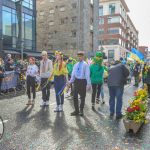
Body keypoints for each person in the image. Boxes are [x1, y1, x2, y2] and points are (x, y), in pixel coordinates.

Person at [68, 51, 91, 116]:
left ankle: (81, 110)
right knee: (74, 96)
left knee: (82, 97)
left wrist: (88, 84)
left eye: (81, 56)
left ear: (83, 57)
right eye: (78, 56)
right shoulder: (76, 64)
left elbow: (87, 75)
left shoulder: (85, 64)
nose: (79, 57)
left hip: (83, 82)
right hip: (76, 81)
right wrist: (70, 82)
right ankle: (76, 110)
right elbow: (73, 74)